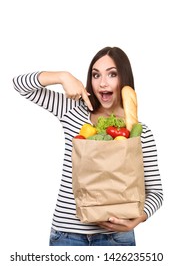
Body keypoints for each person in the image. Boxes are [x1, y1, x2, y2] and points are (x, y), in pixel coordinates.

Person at [13, 46, 163, 246]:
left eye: (112, 74)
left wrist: (139, 218)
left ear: (124, 78)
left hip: (116, 238)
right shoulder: (73, 110)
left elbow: (156, 192)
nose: (102, 83)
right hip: (66, 234)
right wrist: (62, 76)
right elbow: (19, 85)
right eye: (95, 75)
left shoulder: (139, 131)